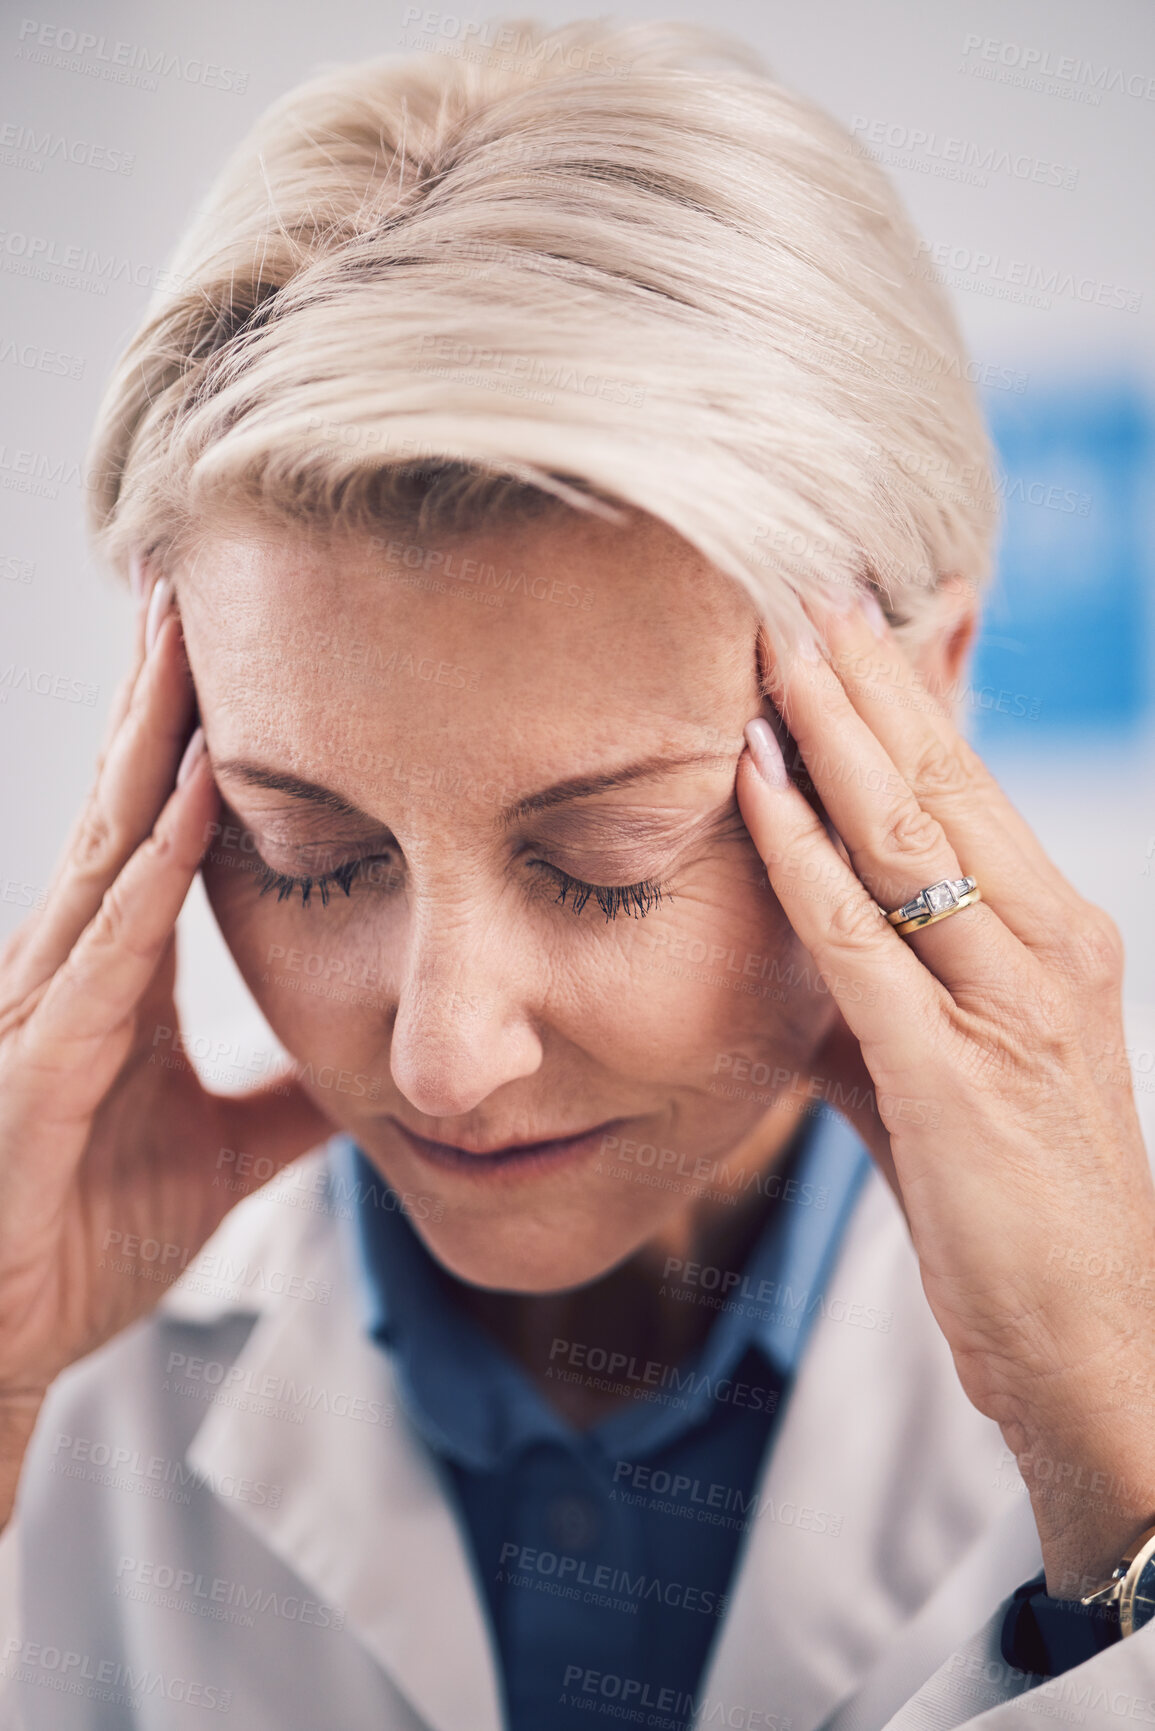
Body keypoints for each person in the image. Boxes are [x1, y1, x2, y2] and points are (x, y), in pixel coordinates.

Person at [0, 17, 1152, 1729]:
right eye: (303, 850)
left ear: (923, 710)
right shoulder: (70, 1372)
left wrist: (1115, 1468)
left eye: (607, 863)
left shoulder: (1123, 1383)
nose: (441, 1060)